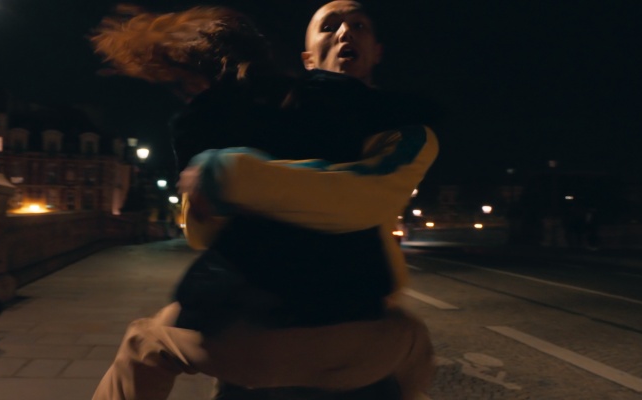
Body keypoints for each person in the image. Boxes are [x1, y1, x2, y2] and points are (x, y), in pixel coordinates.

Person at [91, 2, 438, 399]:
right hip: (347, 328)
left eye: (358, 25)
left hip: (240, 321)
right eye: (330, 26)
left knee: (146, 343)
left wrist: (220, 177)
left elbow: (362, 197)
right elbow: (362, 199)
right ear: (307, 59)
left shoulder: (395, 130)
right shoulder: (393, 120)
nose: (345, 33)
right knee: (411, 343)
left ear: (377, 50)